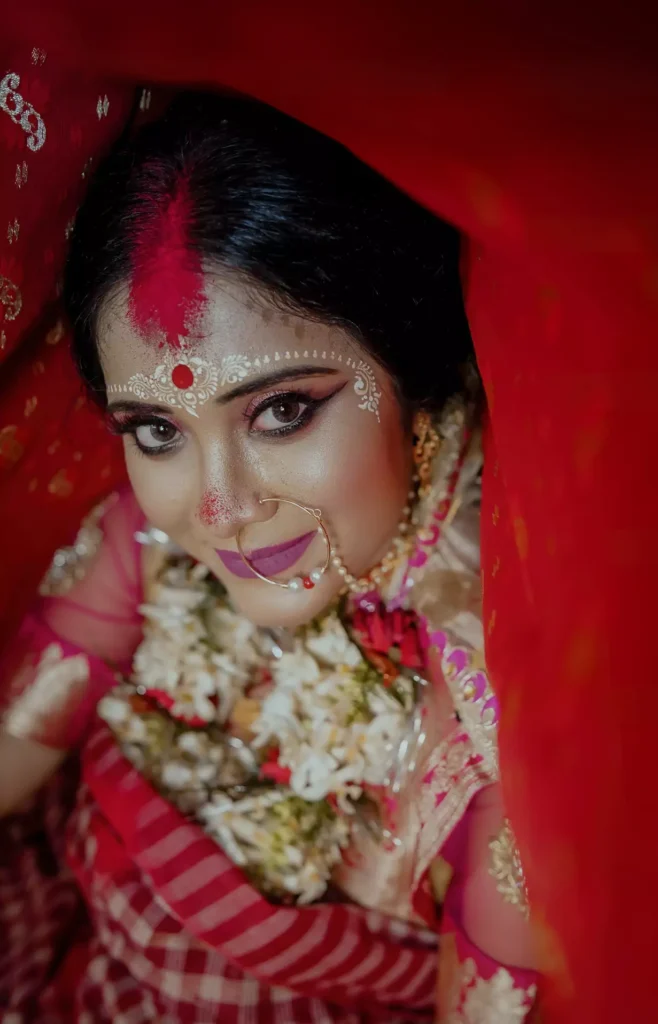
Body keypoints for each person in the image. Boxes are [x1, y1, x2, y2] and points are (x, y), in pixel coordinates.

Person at [0, 92, 537, 1021]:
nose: (220, 509)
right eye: (156, 429)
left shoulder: (497, 711)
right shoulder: (152, 536)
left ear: (408, 363)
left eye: (282, 411)